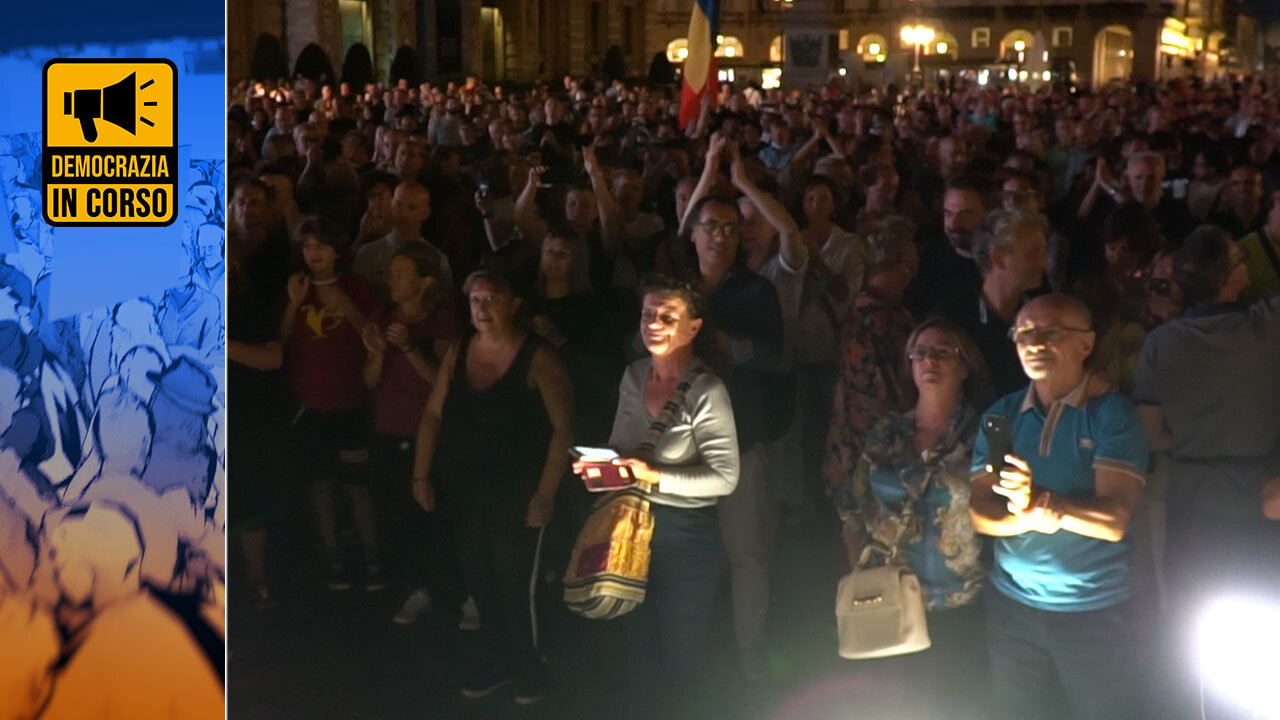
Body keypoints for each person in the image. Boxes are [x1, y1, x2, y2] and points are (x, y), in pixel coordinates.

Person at [970, 293, 1149, 720]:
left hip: (1094, 612)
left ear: (1085, 345)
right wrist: (1025, 518)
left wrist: (1048, 507)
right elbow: (980, 512)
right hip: (1012, 608)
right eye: (1023, 332)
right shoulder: (1002, 415)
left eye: (1049, 332)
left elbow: (1114, 521)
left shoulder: (1112, 415)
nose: (1032, 342)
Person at [573, 275, 739, 720]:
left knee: (683, 646)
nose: (654, 323)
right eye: (649, 314)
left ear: (693, 327)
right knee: (637, 642)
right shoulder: (634, 375)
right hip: (630, 526)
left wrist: (655, 476)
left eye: (668, 316)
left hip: (685, 534)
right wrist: (600, 468)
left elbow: (725, 478)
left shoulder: (707, 391)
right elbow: (621, 445)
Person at [1132, 225, 1280, 719]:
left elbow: (1152, 435)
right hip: (1263, 504)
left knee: (1202, 637)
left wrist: (1198, 442)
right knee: (1267, 635)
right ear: (1234, 275)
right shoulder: (1268, 325)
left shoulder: (1160, 344)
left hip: (1192, 507)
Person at [412, 270, 573, 705]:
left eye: (491, 298)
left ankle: (531, 668)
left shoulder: (538, 358)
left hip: (515, 493)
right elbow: (433, 413)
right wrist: (421, 474)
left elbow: (563, 430)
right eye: (475, 300)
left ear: (513, 303)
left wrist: (545, 494)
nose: (481, 308)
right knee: (480, 578)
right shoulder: (460, 350)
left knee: (516, 583)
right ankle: (504, 659)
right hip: (465, 489)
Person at [835, 317, 992, 720]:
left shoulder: (984, 434)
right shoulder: (886, 432)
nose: (928, 360)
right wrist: (861, 573)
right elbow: (853, 511)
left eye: (941, 352)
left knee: (957, 705)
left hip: (962, 601)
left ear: (965, 365)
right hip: (892, 601)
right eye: (919, 353)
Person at [280, 215, 382, 591]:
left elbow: (373, 335)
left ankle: (373, 557)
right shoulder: (297, 286)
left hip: (350, 402)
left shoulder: (356, 286)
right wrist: (293, 303)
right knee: (319, 486)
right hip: (309, 405)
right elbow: (281, 341)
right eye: (307, 247)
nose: (314, 253)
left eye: (321, 246)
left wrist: (344, 303)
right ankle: (332, 557)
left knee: (358, 489)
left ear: (338, 250)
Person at [361, 244, 461, 624]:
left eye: (401, 274)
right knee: (399, 517)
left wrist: (407, 347)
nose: (392, 281)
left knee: (435, 515)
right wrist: (379, 353)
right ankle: (419, 587)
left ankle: (454, 590)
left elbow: (442, 382)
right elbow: (370, 380)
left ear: (425, 281)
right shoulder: (382, 316)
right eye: (391, 274)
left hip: (429, 436)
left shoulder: (441, 320)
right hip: (388, 430)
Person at [824, 217, 919, 504]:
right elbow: (876, 394)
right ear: (903, 260)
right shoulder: (874, 317)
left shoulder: (885, 309)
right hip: (871, 451)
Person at [939, 207, 1049, 398]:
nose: (1045, 262)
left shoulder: (1047, 316)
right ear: (998, 258)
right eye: (1034, 252)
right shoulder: (952, 322)